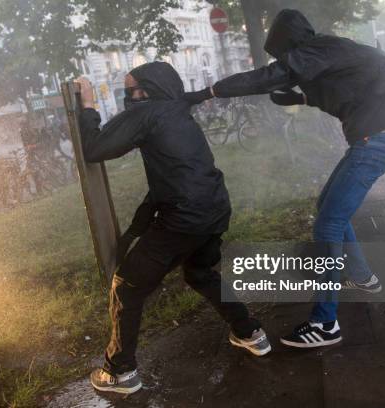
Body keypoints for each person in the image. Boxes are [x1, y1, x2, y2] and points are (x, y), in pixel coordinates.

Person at [186, 9, 385, 349]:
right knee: (328, 208)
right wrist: (302, 97)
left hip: (374, 144)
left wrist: (210, 91)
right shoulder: (331, 49)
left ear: (290, 41)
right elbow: (343, 93)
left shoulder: (318, 48)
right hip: (374, 141)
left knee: (327, 225)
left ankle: (325, 323)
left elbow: (269, 76)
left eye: (282, 52)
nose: (284, 59)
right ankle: (363, 277)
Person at [76, 61, 270, 395]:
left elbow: (95, 149)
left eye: (130, 91)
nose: (128, 98)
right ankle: (250, 332)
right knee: (200, 273)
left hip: (184, 218)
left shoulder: (147, 112)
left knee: (126, 287)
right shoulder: (176, 110)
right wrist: (135, 230)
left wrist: (89, 106)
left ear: (146, 91)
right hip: (214, 208)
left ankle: (119, 371)